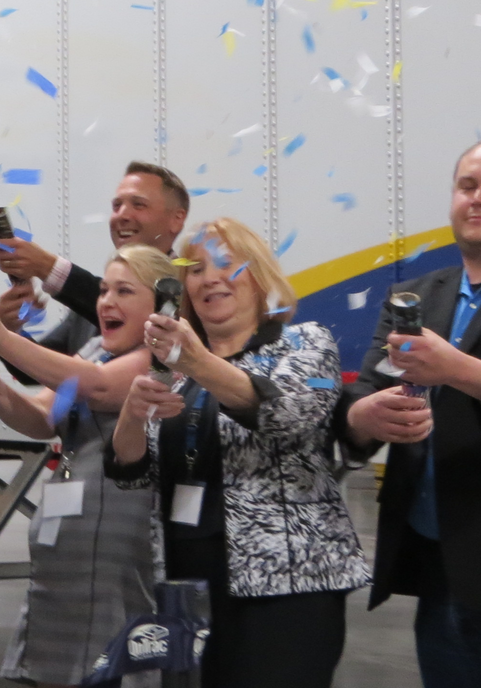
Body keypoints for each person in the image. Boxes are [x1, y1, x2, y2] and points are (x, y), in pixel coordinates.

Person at [105, 218, 368, 687]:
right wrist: (131, 413)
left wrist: (196, 361)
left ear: (260, 274)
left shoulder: (305, 344)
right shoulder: (172, 366)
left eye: (227, 263)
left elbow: (286, 412)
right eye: (196, 268)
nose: (210, 278)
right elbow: (131, 473)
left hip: (286, 587)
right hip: (187, 587)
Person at [338, 135, 481, 687]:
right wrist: (366, 419)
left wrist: (457, 369)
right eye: (467, 186)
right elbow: (361, 398)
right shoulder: (414, 296)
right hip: (436, 567)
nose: (478, 197)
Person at [0, 248, 169, 688]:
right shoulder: (95, 348)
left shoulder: (161, 360)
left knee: (113, 666)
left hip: (120, 554)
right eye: (104, 290)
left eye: (124, 291)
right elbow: (41, 418)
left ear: (160, 305)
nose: (106, 301)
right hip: (64, 552)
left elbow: (97, 386)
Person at [0, 161, 190, 359]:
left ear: (176, 219)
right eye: (117, 205)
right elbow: (46, 367)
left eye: (139, 204)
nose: (122, 215)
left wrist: (46, 267)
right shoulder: (97, 300)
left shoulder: (189, 293)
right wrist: (7, 329)